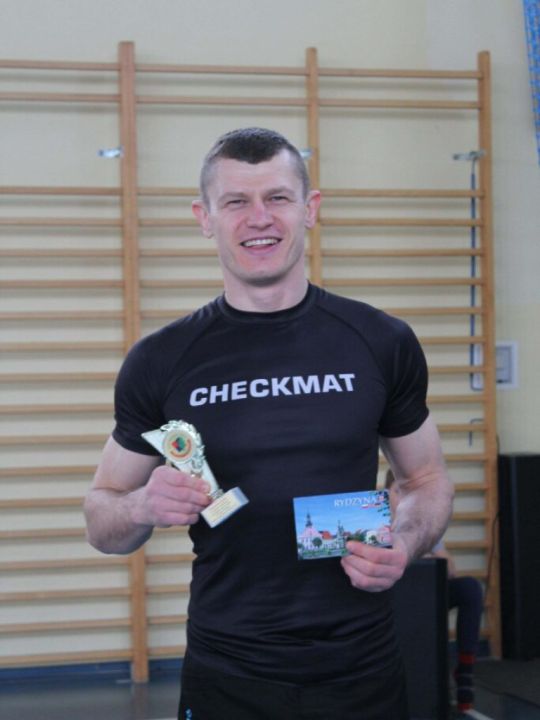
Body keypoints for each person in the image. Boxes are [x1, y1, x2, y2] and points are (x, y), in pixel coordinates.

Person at [84, 127, 454, 720]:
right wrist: (141, 507)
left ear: (310, 209)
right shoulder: (160, 361)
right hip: (227, 672)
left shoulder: (381, 341)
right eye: (236, 201)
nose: (260, 218)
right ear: (205, 218)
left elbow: (426, 480)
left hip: (361, 669)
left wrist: (405, 543)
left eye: (278, 197)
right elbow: (102, 517)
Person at [385, 469, 483, 714]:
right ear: (387, 494)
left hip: (426, 597)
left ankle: (465, 669)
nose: (404, 498)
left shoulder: (421, 526)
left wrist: (419, 550)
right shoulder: (374, 526)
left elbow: (449, 570)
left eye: (408, 492)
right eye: (398, 491)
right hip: (389, 601)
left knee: (469, 588)